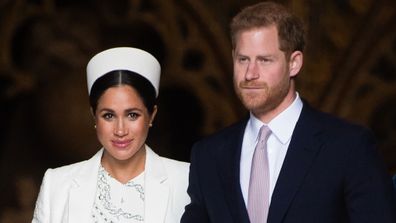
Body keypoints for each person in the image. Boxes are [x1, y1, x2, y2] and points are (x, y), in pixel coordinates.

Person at [181, 2, 396, 223]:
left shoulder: (349, 147)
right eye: (243, 59)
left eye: (264, 60)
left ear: (294, 63)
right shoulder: (208, 156)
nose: (250, 73)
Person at [32, 47, 190, 223]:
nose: (120, 130)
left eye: (132, 115)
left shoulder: (186, 180)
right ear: (94, 116)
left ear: (151, 115)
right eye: (109, 115)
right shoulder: (57, 184)